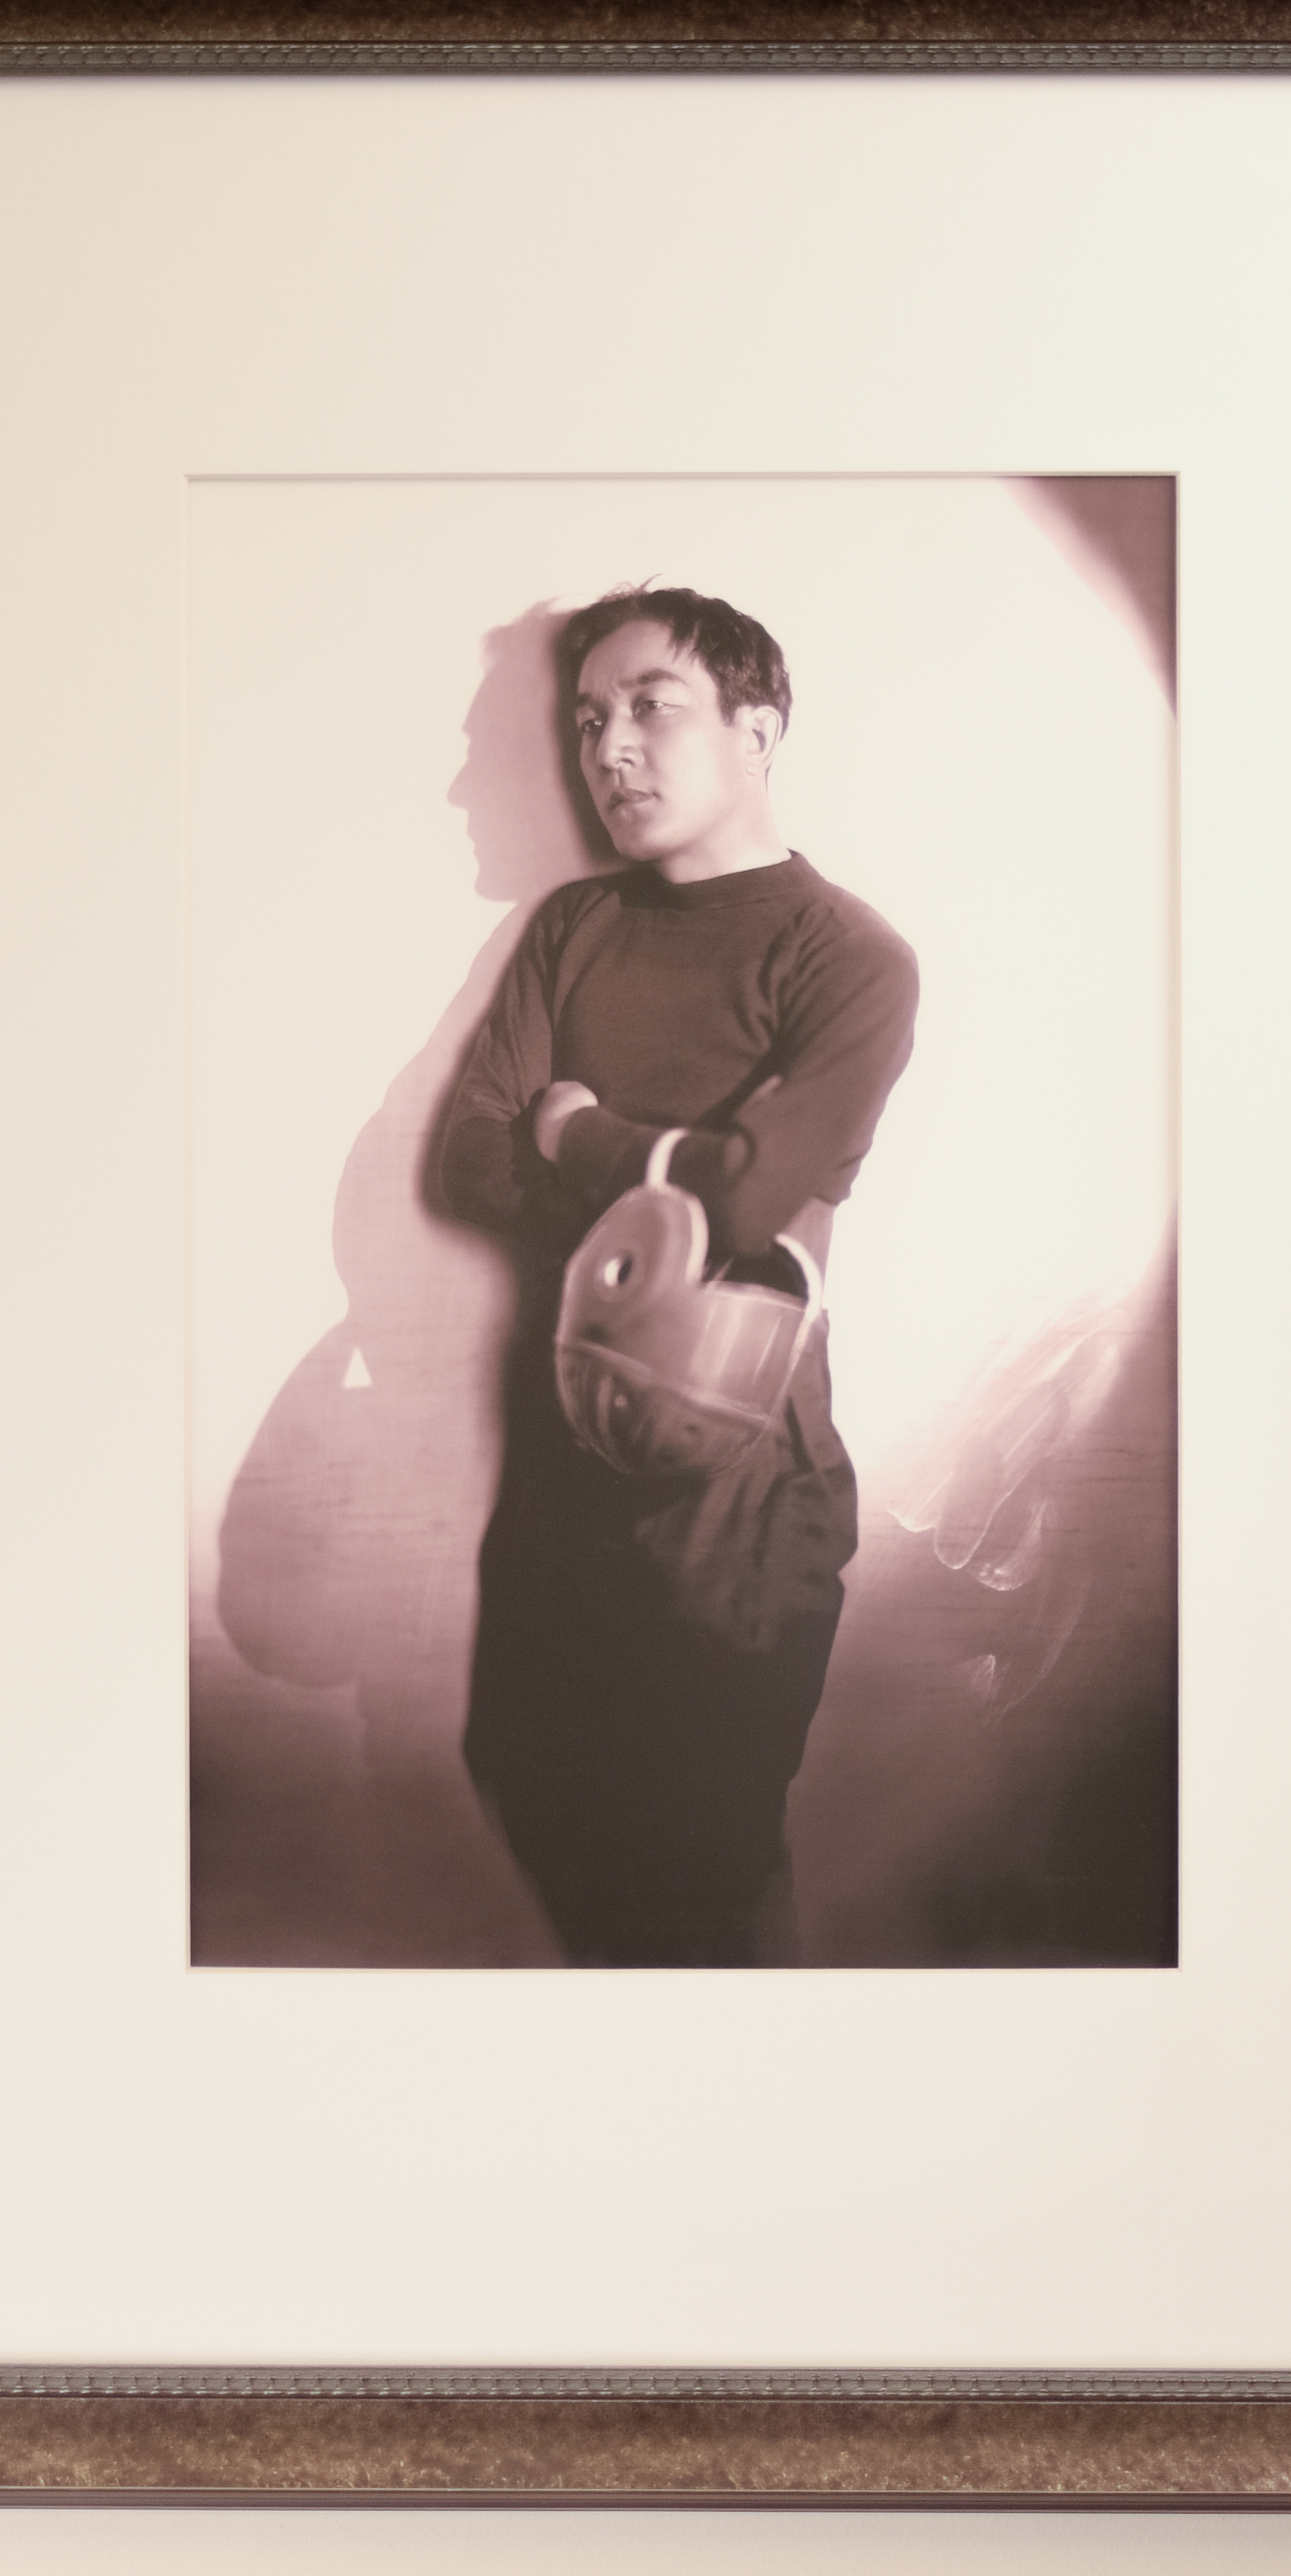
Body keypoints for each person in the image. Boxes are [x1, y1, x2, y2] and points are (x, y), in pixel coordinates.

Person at [438, 586, 919, 1964]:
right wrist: (673, 1172)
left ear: (755, 730)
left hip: (738, 1497)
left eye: (652, 706)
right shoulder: (573, 927)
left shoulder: (849, 954)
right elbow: (466, 1161)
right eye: (588, 718)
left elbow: (756, 1196)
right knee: (539, 1809)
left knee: (701, 1882)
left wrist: (574, 1130)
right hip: (556, 1480)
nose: (609, 748)